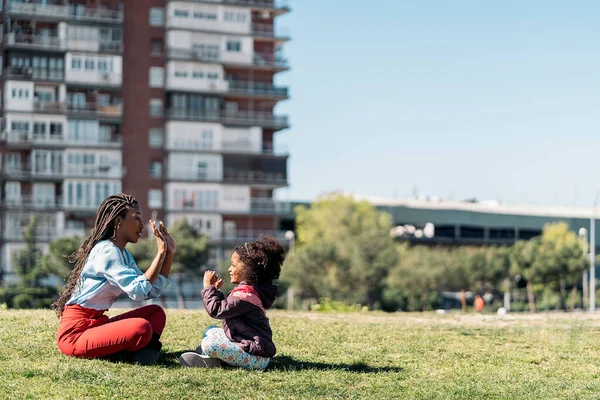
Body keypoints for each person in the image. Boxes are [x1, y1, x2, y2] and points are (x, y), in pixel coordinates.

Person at [51, 193, 175, 365]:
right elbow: (137, 291)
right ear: (118, 221)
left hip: (97, 324)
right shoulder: (107, 251)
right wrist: (160, 254)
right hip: (75, 334)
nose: (142, 225)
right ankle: (139, 353)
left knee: (155, 313)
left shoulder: (124, 254)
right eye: (137, 218)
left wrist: (169, 254)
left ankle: (141, 353)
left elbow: (149, 290)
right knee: (141, 328)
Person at [179, 235, 285, 370]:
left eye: (233, 265)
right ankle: (213, 357)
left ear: (249, 269)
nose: (229, 269)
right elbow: (229, 307)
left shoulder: (245, 295)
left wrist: (207, 287)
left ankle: (214, 359)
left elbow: (217, 310)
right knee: (211, 331)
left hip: (256, 358)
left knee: (209, 344)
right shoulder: (247, 291)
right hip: (246, 343)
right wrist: (215, 291)